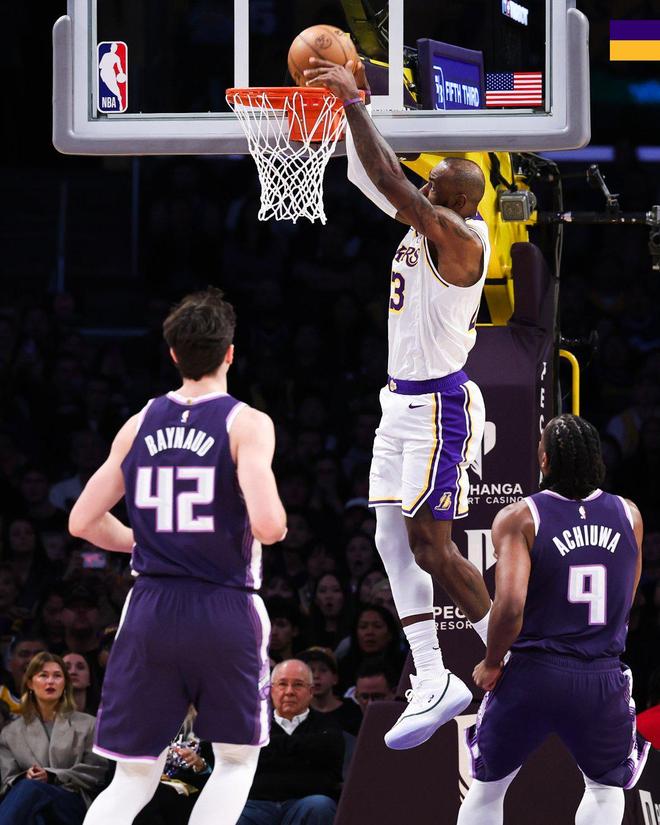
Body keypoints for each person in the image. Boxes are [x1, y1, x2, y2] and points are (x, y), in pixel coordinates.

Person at [304, 59, 492, 749]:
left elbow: (390, 181)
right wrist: (344, 110)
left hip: (440, 407)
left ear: (456, 200)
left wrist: (356, 102)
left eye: (432, 185)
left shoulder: (462, 239)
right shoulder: (428, 222)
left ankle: (517, 651)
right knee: (389, 536)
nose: (421, 185)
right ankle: (434, 676)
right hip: (399, 404)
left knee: (432, 550)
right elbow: (370, 175)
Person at [68, 287, 287, 825]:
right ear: (229, 353)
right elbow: (269, 526)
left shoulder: (139, 422)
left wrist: (147, 541)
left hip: (149, 607)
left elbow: (82, 522)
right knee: (234, 762)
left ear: (173, 354)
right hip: (223, 605)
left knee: (131, 778)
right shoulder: (247, 423)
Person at [459, 415, 650, 825]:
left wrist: (492, 662)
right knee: (604, 787)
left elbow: (510, 605)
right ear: (596, 458)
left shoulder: (521, 517)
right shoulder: (629, 514)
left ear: (544, 460)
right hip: (601, 673)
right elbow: (626, 596)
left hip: (535, 670)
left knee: (488, 787)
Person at [0, 651, 107, 824]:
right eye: (43, 675)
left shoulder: (89, 725)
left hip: (72, 804)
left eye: (57, 676)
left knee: (31, 790)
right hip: (30, 804)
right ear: (30, 683)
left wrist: (51, 776)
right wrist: (25, 776)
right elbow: (7, 779)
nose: (50, 681)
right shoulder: (10, 733)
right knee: (36, 815)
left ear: (65, 684)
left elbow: (96, 772)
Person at [237, 659, 344, 825]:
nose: (289, 692)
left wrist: (268, 748)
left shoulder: (328, 725)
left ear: (311, 691)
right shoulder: (252, 725)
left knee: (320, 805)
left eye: (298, 685)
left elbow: (329, 768)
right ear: (271, 690)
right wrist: (303, 753)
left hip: (306, 803)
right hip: (256, 805)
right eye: (282, 684)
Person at [299, 647, 362, 736]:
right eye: (310, 671)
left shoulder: (352, 712)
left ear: (335, 678)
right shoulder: (297, 714)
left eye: (323, 670)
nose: (316, 676)